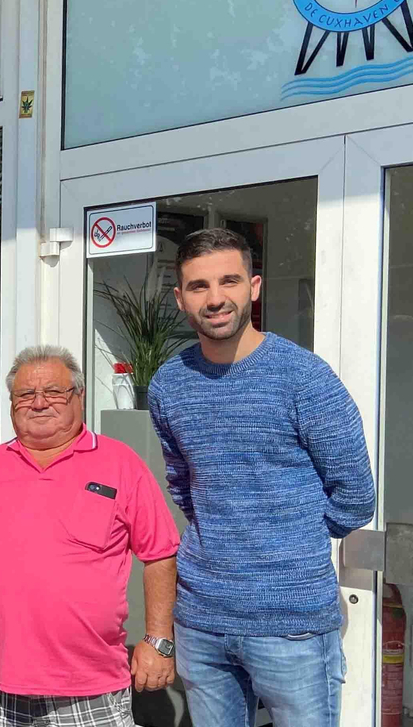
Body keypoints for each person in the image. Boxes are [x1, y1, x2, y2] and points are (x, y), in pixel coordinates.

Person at [147, 229, 375, 727]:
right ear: (180, 298)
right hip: (202, 619)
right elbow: (184, 483)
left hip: (290, 623)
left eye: (228, 281)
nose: (215, 299)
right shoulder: (169, 383)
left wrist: (290, 540)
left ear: (253, 287)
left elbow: (356, 496)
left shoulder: (304, 378)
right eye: (199, 286)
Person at [0, 346, 179, 727]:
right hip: (1, 685)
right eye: (26, 394)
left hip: (90, 687)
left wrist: (159, 639)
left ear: (78, 397)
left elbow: (160, 553)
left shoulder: (120, 463)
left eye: (54, 391)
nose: (39, 403)